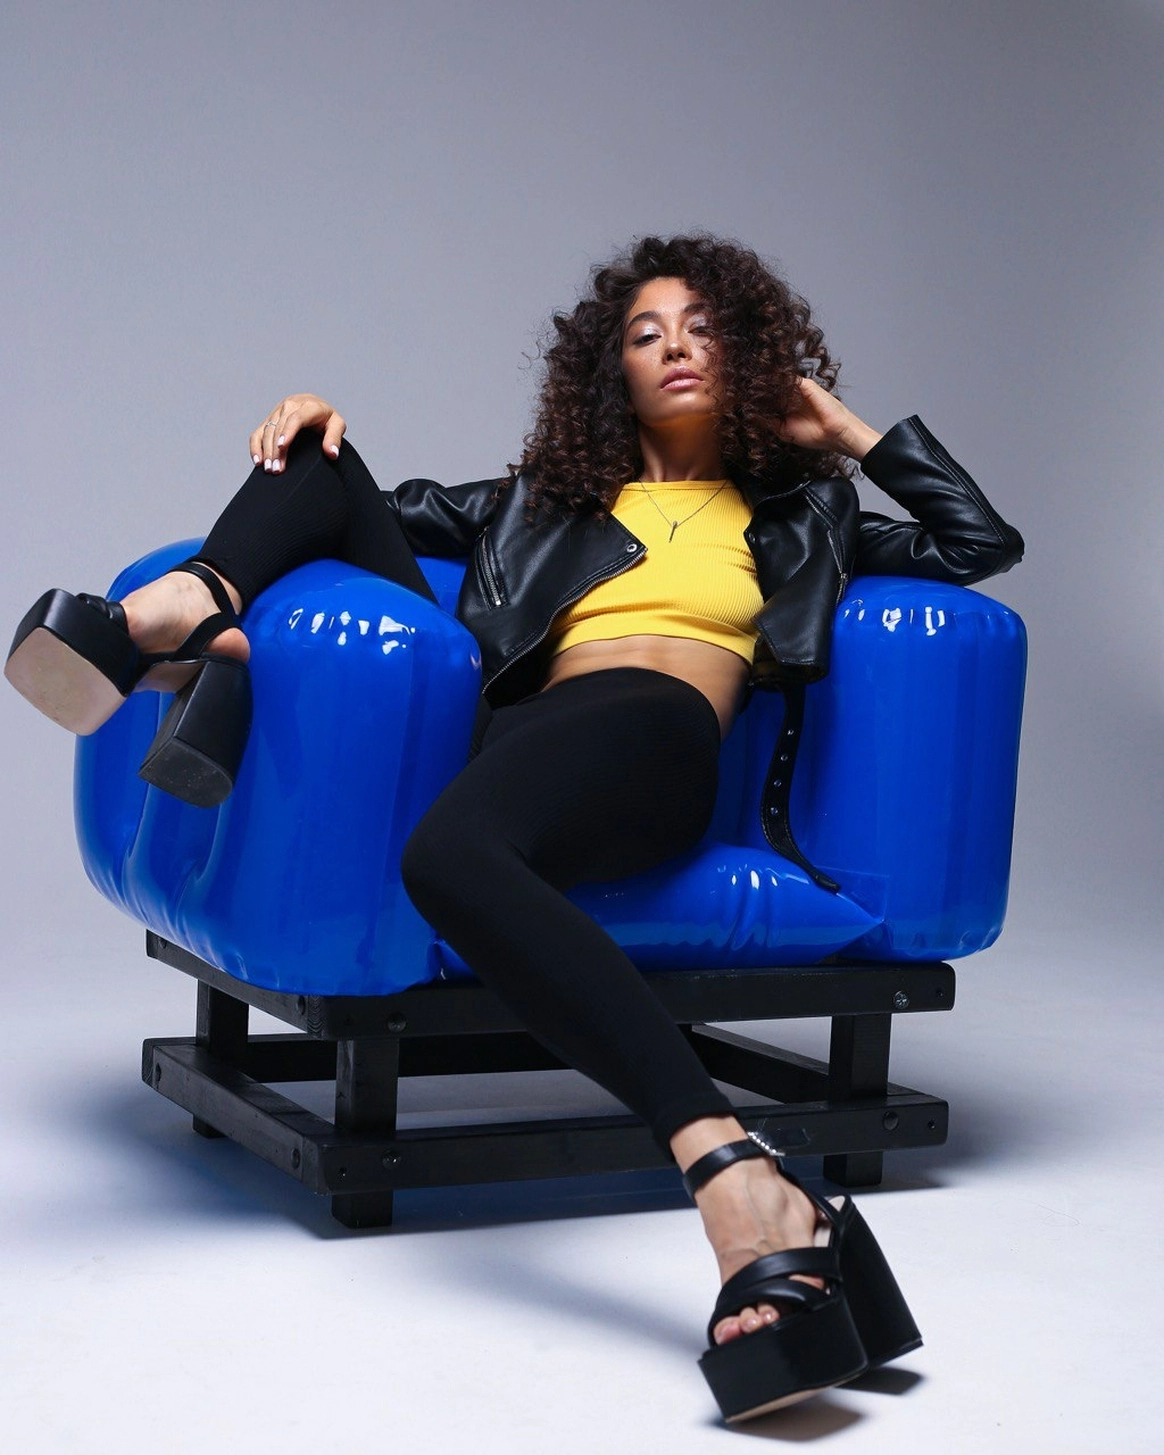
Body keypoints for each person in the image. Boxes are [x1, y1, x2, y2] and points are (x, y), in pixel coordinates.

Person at [6, 234, 1023, 1422]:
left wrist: (844, 433)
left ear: (747, 357)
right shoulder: (537, 504)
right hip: (521, 740)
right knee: (325, 461)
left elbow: (978, 545)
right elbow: (346, 509)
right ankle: (190, 613)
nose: (675, 348)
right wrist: (308, 423)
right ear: (612, 372)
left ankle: (729, 1170)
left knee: (444, 859)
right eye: (645, 334)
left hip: (654, 738)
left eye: (702, 329)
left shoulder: (806, 512)